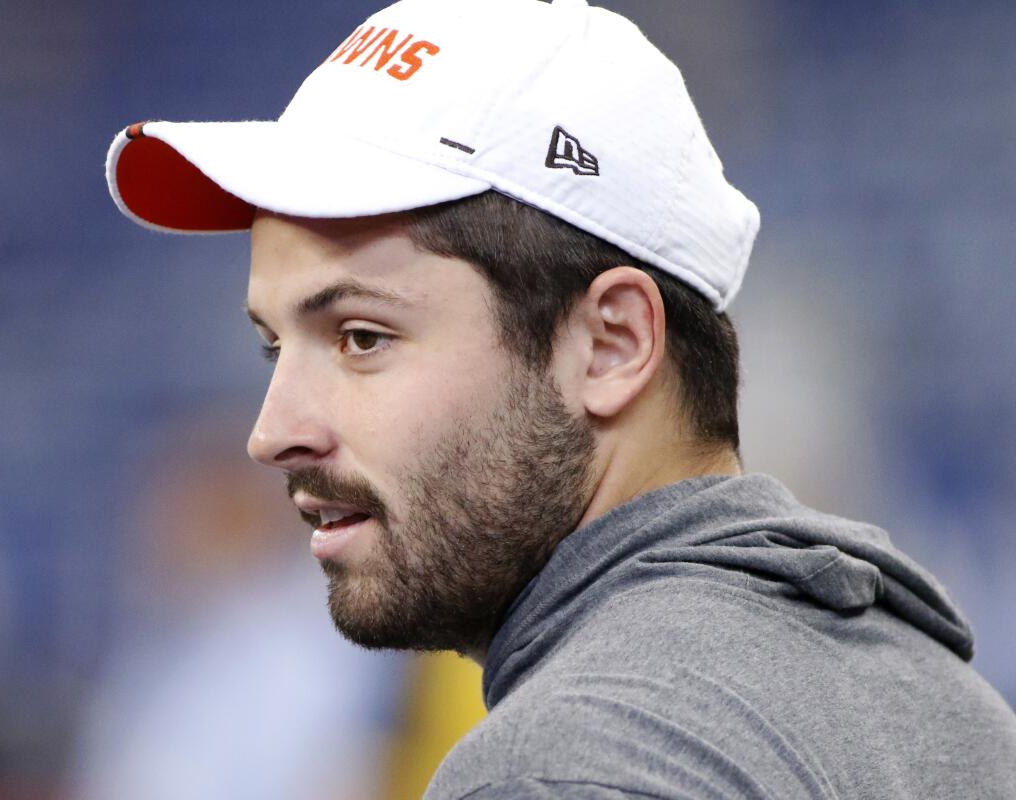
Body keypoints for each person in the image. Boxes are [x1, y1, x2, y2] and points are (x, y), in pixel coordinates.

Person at [103, 0, 1016, 796]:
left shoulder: (562, 766)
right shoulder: (943, 705)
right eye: (273, 347)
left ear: (612, 344)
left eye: (361, 338)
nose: (272, 433)